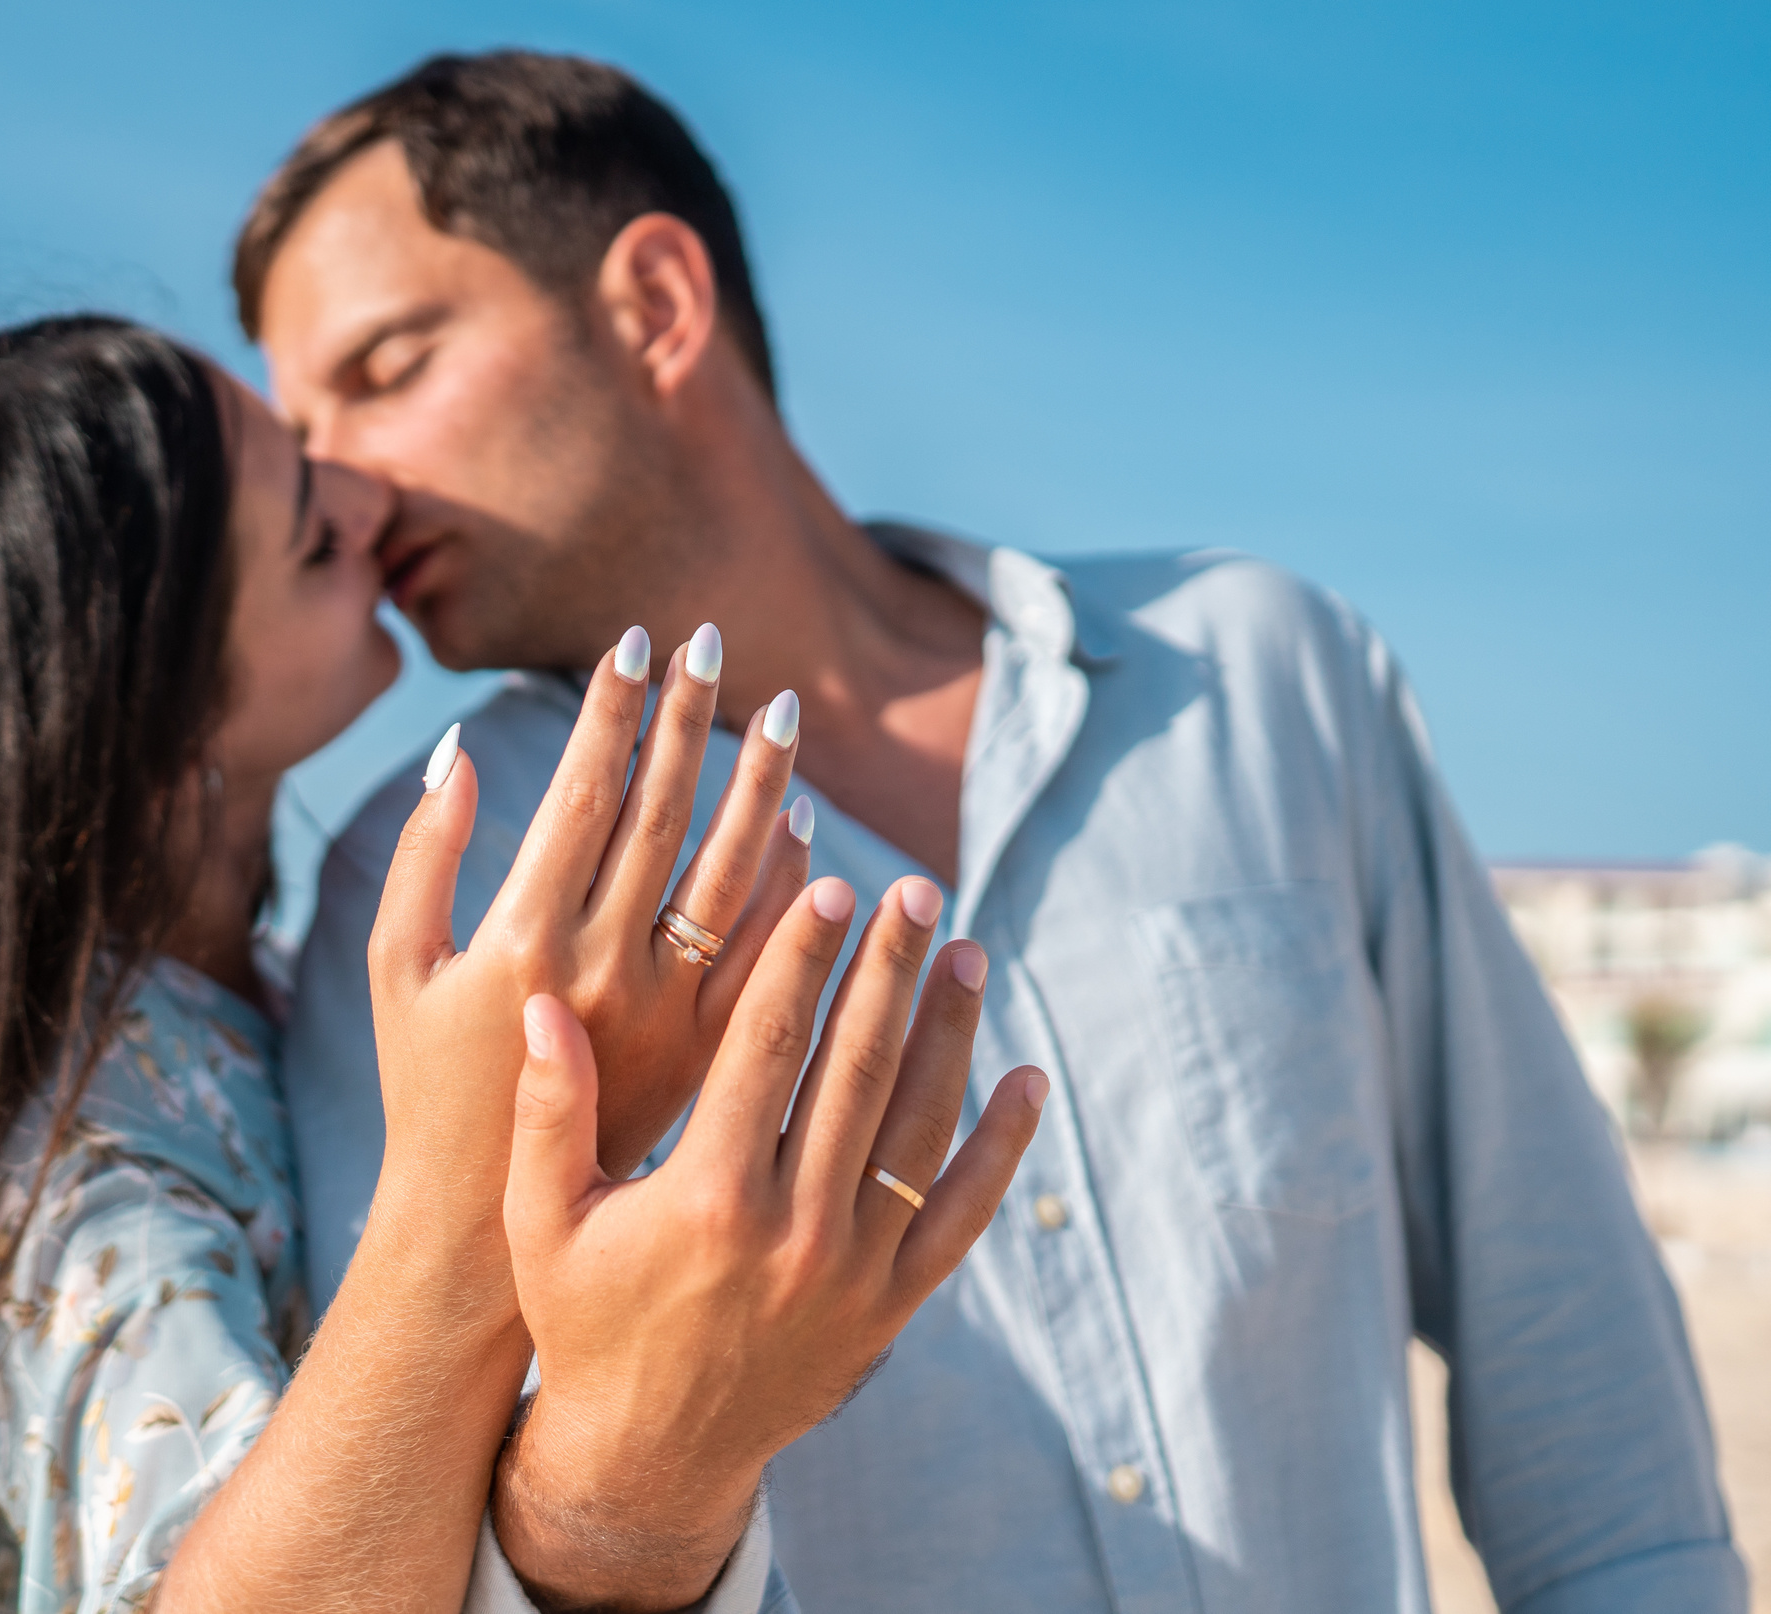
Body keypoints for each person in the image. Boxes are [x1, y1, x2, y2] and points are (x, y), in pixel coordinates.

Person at [245, 50, 1750, 1613]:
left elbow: (1569, 1348)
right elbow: (438, 1536)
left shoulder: (1255, 675)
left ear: (654, 306)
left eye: (387, 366)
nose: (341, 488)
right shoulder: (433, 891)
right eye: (299, 432)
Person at [0, 313, 1043, 1614]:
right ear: (138, 700)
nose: (370, 502)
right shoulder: (67, 1151)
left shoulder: (229, 1007)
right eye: (310, 523)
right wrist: (487, 1178)